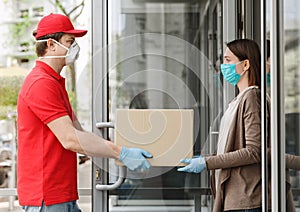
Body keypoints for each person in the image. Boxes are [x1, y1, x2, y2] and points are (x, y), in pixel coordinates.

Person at [17, 13, 153, 212]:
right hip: (47, 198)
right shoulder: (41, 83)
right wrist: (122, 153)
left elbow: (80, 135)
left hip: (61, 196)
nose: (74, 48)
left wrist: (120, 149)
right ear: (51, 45)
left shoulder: (54, 83)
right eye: (70, 41)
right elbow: (70, 139)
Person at [178, 39, 265, 211]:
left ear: (245, 64)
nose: (223, 66)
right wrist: (206, 158)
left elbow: (254, 152)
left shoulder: (252, 97)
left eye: (228, 60)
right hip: (237, 195)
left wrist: (207, 162)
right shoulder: (238, 100)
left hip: (246, 198)